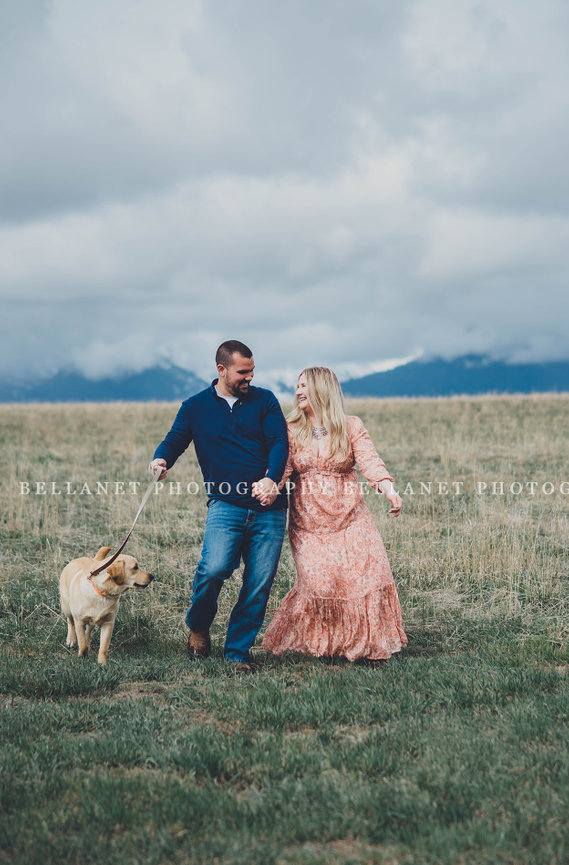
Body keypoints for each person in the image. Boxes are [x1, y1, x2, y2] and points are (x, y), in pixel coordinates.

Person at [151, 340, 288, 672]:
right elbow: (175, 439)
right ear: (222, 370)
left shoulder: (266, 400)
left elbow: (279, 442)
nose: (249, 377)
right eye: (243, 372)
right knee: (213, 569)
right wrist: (161, 459)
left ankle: (237, 652)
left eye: (252, 371)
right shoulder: (195, 406)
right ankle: (199, 625)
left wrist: (271, 479)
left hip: (270, 507)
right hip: (225, 503)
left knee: (259, 582)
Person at [256, 366, 406, 665]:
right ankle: (324, 642)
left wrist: (389, 489)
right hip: (309, 523)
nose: (298, 391)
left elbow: (369, 460)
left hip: (351, 518)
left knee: (364, 579)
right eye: (297, 385)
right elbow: (282, 466)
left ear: (322, 389)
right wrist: (271, 487)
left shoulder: (350, 425)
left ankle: (371, 646)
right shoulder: (290, 428)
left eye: (304, 386)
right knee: (321, 584)